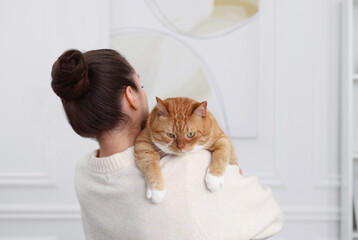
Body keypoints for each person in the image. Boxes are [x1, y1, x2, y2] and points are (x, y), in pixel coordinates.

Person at [51, 49, 284, 240]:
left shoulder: (84, 173)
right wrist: (231, 174)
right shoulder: (190, 168)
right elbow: (270, 214)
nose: (144, 93)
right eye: (140, 86)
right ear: (131, 96)